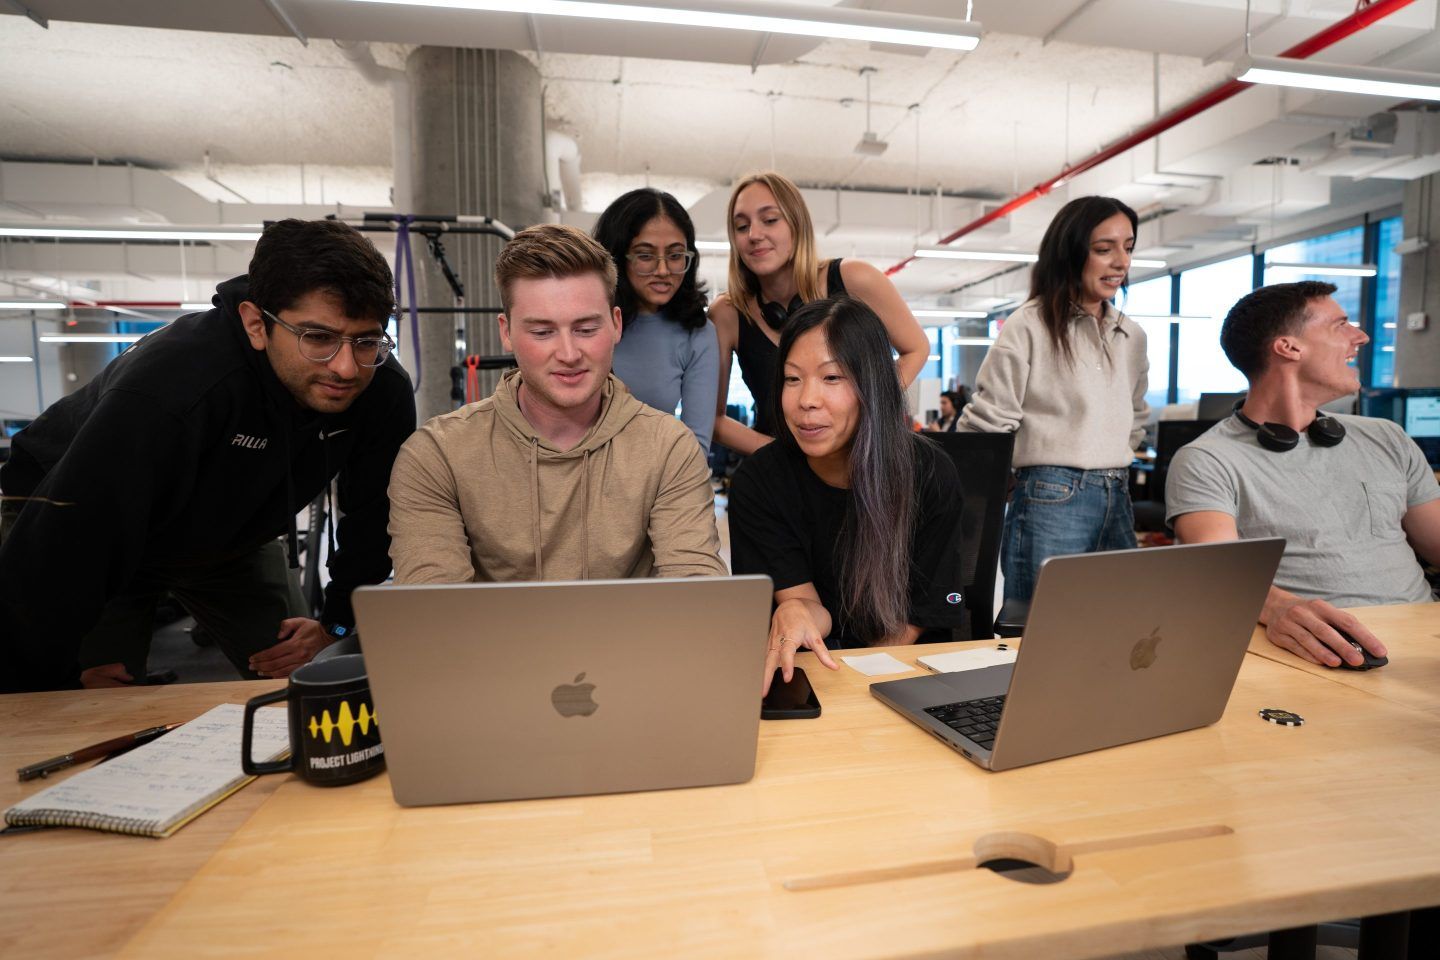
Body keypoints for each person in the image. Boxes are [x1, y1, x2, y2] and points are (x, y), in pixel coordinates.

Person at [0, 219, 416, 693]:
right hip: (80, 523)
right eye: (317, 338)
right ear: (256, 324)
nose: (346, 367)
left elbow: (373, 517)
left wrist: (335, 625)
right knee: (85, 700)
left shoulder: (381, 389)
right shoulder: (174, 385)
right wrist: (55, 678)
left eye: (366, 340)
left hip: (231, 537)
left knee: (303, 680)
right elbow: (67, 540)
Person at [386, 223, 727, 584]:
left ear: (615, 326)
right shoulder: (437, 456)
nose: (568, 354)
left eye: (585, 329)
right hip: (487, 643)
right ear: (506, 332)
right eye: (542, 332)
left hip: (630, 642)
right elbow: (436, 617)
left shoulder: (668, 448)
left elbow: (696, 590)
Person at [1166, 281, 1440, 668]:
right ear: (1289, 347)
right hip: (1328, 653)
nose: (1359, 337)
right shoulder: (1208, 459)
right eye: (1340, 325)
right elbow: (1218, 573)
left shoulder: (1386, 437)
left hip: (1424, 637)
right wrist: (1278, 606)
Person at [727, 295, 965, 695]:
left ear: (871, 384)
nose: (806, 400)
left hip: (909, 675)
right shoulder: (760, 481)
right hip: (816, 673)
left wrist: (857, 690)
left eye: (832, 378)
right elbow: (808, 606)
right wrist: (795, 612)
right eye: (792, 378)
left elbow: (914, 620)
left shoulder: (928, 474)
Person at [957, 195, 1149, 607]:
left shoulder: (1131, 335)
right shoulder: (1029, 325)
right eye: (1104, 249)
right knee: (1041, 626)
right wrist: (976, 494)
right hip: (1052, 496)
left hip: (1118, 492)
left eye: (1128, 247)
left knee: (1121, 623)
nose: (1121, 261)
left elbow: (1136, 415)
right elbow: (988, 423)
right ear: (1070, 252)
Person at [709, 171, 930, 455]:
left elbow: (917, 348)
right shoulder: (728, 313)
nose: (754, 234)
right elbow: (713, 418)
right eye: (741, 226)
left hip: (857, 463)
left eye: (770, 220)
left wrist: (864, 411)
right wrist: (784, 456)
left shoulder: (854, 279)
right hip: (780, 474)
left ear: (797, 225)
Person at [593, 188, 719, 452]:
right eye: (645, 255)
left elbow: (695, 447)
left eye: (675, 256)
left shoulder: (697, 333)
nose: (662, 271)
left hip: (654, 481)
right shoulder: (587, 323)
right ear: (616, 258)